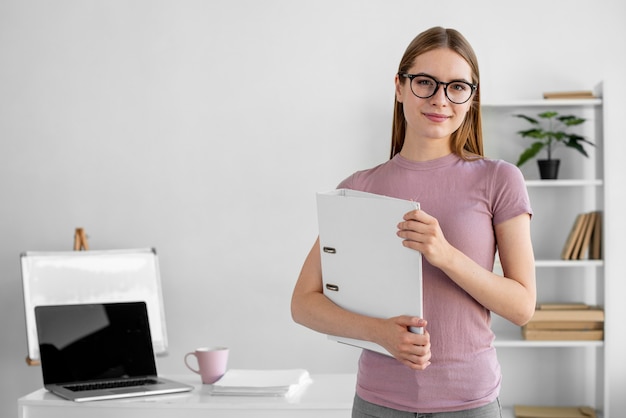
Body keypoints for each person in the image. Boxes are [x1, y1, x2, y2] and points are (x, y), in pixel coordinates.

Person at [291, 26, 536, 418]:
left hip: (470, 403)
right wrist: (381, 334)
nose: (440, 99)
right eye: (425, 82)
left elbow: (523, 307)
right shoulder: (359, 188)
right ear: (400, 87)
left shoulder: (499, 179)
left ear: (471, 99)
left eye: (457, 87)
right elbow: (303, 303)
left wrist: (445, 255)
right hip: (377, 403)